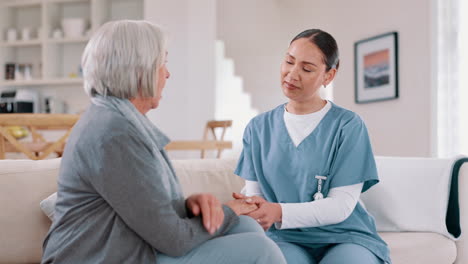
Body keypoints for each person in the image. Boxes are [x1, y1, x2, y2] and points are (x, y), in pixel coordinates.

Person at [41, 20, 286, 264]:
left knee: (247, 228)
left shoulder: (118, 119)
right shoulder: (114, 133)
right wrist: (230, 210)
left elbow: (145, 209)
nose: (167, 74)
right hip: (100, 257)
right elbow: (174, 240)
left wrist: (189, 207)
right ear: (139, 69)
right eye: (162, 63)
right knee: (261, 250)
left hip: (126, 246)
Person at [233, 29, 391, 264]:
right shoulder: (258, 128)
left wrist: (278, 211)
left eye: (306, 69)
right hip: (283, 236)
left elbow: (341, 206)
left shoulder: (347, 126)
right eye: (289, 61)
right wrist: (250, 208)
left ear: (328, 76)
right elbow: (255, 196)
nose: (292, 74)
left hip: (344, 236)